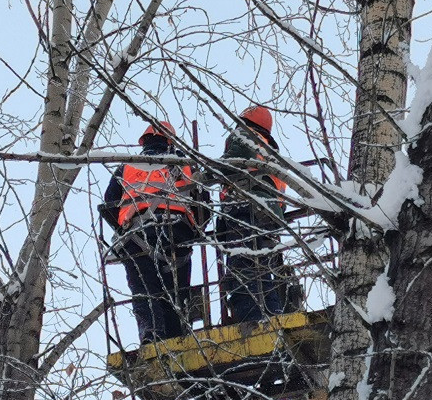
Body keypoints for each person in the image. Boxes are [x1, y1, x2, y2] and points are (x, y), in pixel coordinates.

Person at [100, 122, 207, 343]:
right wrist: (196, 229)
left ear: (145, 141)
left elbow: (109, 202)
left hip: (136, 235)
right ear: (170, 141)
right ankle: (177, 337)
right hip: (176, 233)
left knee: (144, 289)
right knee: (175, 290)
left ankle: (152, 336)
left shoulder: (126, 167)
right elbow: (204, 205)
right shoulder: (185, 165)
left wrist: (124, 225)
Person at [215, 106, 294, 324]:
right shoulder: (271, 152)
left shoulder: (244, 136)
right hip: (269, 215)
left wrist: (202, 173)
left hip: (245, 207)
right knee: (262, 268)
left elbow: (227, 165)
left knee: (243, 265)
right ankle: (272, 313)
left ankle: (251, 318)